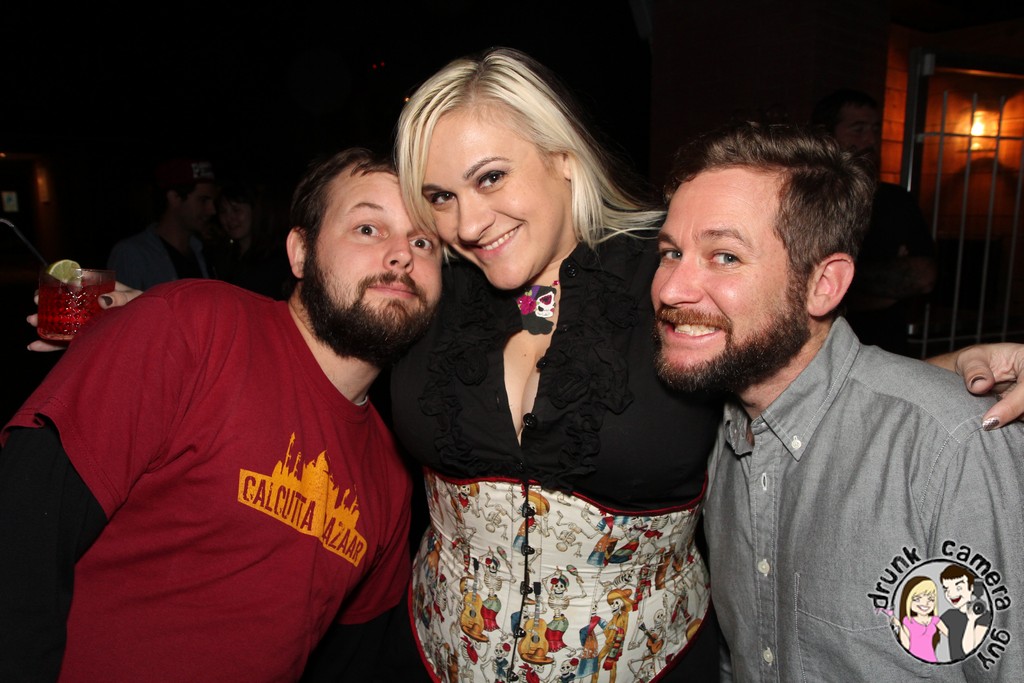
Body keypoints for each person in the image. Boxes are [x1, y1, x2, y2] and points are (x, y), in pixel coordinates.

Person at [0, 147, 443, 681]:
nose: (401, 255)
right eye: (368, 229)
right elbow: (22, 537)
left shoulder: (393, 477)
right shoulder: (191, 329)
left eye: (424, 241)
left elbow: (350, 659)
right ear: (300, 252)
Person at [652, 121, 1023, 680]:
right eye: (671, 252)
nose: (670, 289)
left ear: (823, 284)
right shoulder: (717, 435)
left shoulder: (952, 449)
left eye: (724, 256)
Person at [812, 88, 938, 356]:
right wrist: (887, 281)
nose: (870, 140)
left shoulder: (897, 200)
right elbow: (796, 283)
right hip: (822, 354)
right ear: (826, 135)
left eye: (875, 129)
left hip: (888, 350)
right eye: (858, 129)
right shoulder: (808, 200)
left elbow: (923, 277)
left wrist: (842, 285)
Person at [107, 157, 219, 290]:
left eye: (213, 202)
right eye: (203, 200)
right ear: (174, 197)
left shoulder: (202, 251)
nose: (212, 210)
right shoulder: (132, 254)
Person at [209, 178, 294, 299]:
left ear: (254, 211)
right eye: (223, 211)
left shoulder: (273, 260)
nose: (229, 218)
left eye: (236, 210)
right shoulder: (224, 257)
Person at [939, 564, 992, 661]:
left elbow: (969, 651)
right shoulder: (949, 615)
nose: (951, 594)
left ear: (971, 587)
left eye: (958, 588)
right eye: (946, 589)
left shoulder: (984, 616)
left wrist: (971, 620)